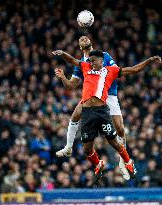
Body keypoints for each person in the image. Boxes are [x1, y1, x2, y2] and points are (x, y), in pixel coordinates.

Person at [53, 49, 161, 182]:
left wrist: (149, 60)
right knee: (87, 149)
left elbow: (133, 70)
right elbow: (72, 60)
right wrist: (63, 55)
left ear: (101, 60)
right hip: (87, 112)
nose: (91, 63)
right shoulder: (85, 66)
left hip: (102, 111)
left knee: (114, 142)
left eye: (94, 61)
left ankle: (128, 162)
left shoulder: (111, 70)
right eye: (90, 61)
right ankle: (98, 164)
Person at [53, 36, 130, 180]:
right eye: (80, 39)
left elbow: (116, 71)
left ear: (90, 43)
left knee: (120, 128)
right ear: (80, 47)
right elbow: (72, 85)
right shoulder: (81, 64)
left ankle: (123, 161)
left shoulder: (104, 56)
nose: (83, 38)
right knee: (75, 115)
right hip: (92, 96)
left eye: (85, 38)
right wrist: (63, 77)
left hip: (109, 94)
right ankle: (68, 147)